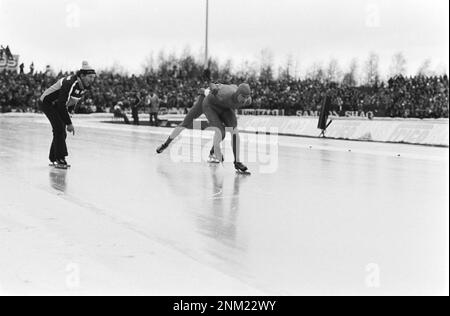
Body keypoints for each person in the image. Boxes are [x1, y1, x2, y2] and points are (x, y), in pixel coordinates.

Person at [39, 61, 96, 168]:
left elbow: (72, 101)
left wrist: (69, 115)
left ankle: (54, 158)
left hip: (57, 105)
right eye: (90, 77)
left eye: (93, 77)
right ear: (82, 76)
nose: (92, 80)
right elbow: (61, 104)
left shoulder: (83, 86)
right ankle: (60, 158)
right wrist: (69, 123)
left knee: (61, 131)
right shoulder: (70, 83)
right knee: (59, 129)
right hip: (47, 103)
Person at [202, 82, 252, 173]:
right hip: (210, 106)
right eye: (243, 96)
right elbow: (211, 84)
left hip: (225, 108)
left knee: (235, 132)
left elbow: (244, 97)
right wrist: (209, 89)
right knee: (221, 132)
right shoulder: (224, 93)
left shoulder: (248, 100)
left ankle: (237, 162)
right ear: (238, 94)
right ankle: (214, 152)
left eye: (247, 97)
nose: (245, 100)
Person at [156, 88, 208, 154]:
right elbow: (201, 90)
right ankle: (165, 144)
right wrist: (206, 92)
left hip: (210, 108)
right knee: (183, 125)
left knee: (218, 127)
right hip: (200, 107)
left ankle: (214, 151)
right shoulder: (211, 89)